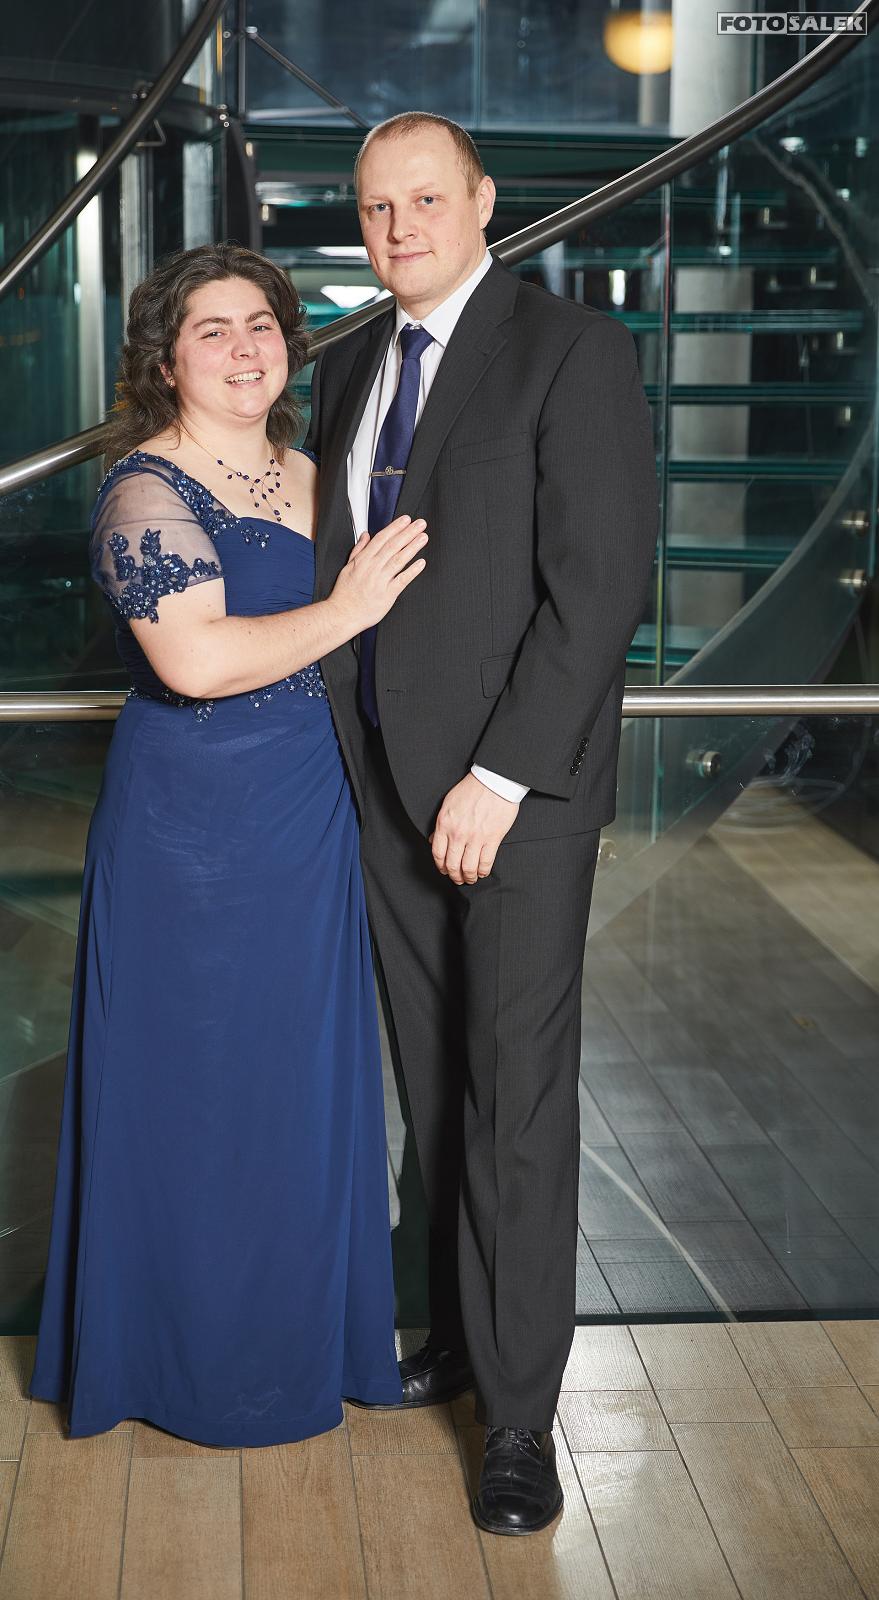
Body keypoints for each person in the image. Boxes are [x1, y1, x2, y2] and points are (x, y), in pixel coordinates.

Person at [306, 113, 659, 1533]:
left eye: (424, 200)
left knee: (512, 1098)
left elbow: (598, 587)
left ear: (482, 201)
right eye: (374, 207)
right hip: (384, 786)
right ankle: (459, 1336)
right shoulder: (349, 364)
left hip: (508, 801)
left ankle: (516, 1418)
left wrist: (499, 778)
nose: (398, 227)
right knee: (439, 1080)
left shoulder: (568, 351)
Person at [31, 243, 430, 1446]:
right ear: (164, 360)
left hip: (310, 810)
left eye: (260, 324)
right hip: (191, 830)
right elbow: (195, 660)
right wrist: (347, 609)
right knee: (196, 1090)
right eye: (212, 329)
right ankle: (190, 1367)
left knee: (296, 1087)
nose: (245, 347)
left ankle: (306, 1342)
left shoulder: (312, 470)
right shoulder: (143, 490)